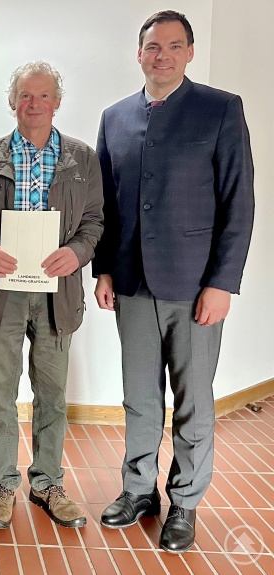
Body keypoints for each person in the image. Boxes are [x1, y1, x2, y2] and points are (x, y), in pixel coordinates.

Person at [94, 10, 254, 553]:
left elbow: (238, 202)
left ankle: (184, 501)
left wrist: (223, 283)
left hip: (195, 285)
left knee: (193, 402)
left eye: (172, 46)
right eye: (152, 46)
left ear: (189, 52)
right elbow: (107, 205)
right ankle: (138, 490)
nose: (161, 55)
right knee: (139, 398)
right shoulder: (114, 117)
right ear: (138, 53)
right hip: (132, 283)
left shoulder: (220, 109)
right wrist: (104, 268)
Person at [0, 61, 103, 530]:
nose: (33, 104)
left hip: (58, 295)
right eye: (25, 95)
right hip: (1, 295)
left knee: (52, 396)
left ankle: (48, 483)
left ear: (57, 102)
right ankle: (1, 484)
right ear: (12, 101)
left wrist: (77, 253)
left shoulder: (82, 159)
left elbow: (95, 221)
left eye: (43, 96)